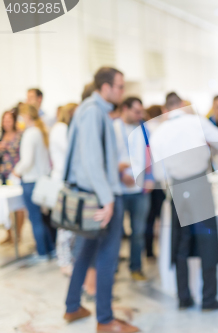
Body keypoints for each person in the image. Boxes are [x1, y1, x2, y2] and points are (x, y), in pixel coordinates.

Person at [63, 67, 140, 333]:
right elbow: (92, 160)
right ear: (105, 87)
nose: (122, 91)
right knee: (108, 256)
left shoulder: (90, 110)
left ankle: (73, 306)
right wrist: (107, 200)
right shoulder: (94, 112)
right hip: (101, 196)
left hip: (93, 195)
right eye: (120, 86)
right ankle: (105, 320)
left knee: (86, 252)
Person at [149, 92, 218, 311]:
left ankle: (183, 298)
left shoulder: (158, 133)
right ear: (181, 106)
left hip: (177, 188)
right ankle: (209, 299)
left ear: (166, 109)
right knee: (207, 240)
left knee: (181, 243)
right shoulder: (195, 121)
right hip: (199, 185)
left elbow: (158, 174)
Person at [113, 97, 153, 281]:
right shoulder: (113, 128)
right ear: (125, 109)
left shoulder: (144, 128)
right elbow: (108, 157)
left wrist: (150, 178)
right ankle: (111, 268)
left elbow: (151, 154)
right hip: (119, 190)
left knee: (138, 232)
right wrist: (121, 175)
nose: (140, 115)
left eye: (141, 111)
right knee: (114, 233)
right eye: (136, 111)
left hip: (140, 189)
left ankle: (136, 266)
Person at [11, 104, 53, 263]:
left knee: (35, 219)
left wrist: (15, 171)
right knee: (43, 217)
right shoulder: (41, 131)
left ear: (26, 116)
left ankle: (42, 252)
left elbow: (27, 161)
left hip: (31, 181)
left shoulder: (30, 133)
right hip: (42, 179)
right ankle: (51, 248)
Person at [50, 103, 78, 276]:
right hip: (62, 183)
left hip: (67, 183)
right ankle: (64, 262)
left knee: (69, 227)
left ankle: (68, 259)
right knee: (65, 227)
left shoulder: (65, 129)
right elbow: (71, 152)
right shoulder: (60, 129)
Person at [144, 105, 166, 259]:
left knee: (149, 218)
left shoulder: (145, 130)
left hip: (148, 180)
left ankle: (149, 251)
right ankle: (164, 248)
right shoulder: (160, 130)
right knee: (162, 216)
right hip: (158, 180)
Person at [0, 110, 24, 244]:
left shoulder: (20, 136)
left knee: (18, 205)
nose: (6, 123)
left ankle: (18, 233)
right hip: (3, 173)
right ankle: (9, 233)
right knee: (5, 205)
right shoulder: (2, 136)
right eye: (5, 120)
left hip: (15, 173)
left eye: (9, 120)